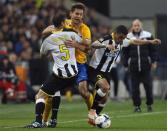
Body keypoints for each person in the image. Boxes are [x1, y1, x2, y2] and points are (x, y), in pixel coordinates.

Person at [67, 25, 161, 126]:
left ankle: (95, 118)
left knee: (105, 98)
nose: (121, 40)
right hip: (95, 69)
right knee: (105, 87)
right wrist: (105, 46)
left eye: (123, 38)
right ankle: (92, 112)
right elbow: (93, 44)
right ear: (115, 34)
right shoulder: (107, 39)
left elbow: (135, 41)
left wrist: (150, 41)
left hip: (106, 72)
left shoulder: (122, 41)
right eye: (120, 37)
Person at [25, 13, 83, 128]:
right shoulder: (72, 34)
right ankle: (53, 120)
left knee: (39, 96)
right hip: (74, 74)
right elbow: (82, 41)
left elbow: (42, 55)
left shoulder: (48, 39)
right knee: (55, 90)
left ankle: (37, 122)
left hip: (60, 75)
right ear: (62, 23)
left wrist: (44, 37)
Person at [42, 3, 93, 127]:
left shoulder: (84, 29)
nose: (78, 16)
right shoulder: (64, 23)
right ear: (71, 14)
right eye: (76, 13)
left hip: (79, 64)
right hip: (63, 64)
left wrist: (77, 44)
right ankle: (44, 121)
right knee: (50, 94)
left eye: (81, 14)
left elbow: (88, 47)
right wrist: (55, 30)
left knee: (84, 92)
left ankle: (93, 115)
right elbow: (45, 31)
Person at [122, 19, 159, 112]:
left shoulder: (148, 35)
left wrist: (154, 61)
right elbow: (125, 53)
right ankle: (137, 106)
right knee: (134, 88)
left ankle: (149, 104)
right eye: (135, 25)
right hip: (133, 66)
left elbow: (153, 50)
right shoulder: (128, 37)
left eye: (138, 25)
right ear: (132, 26)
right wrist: (126, 64)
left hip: (146, 65)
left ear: (141, 26)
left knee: (148, 86)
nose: (136, 27)